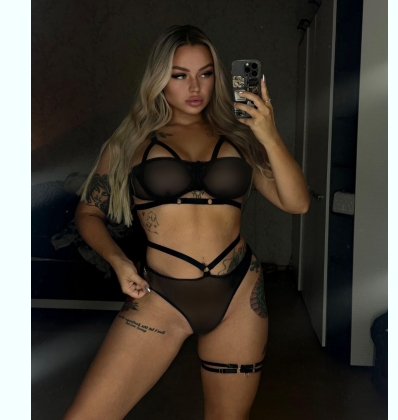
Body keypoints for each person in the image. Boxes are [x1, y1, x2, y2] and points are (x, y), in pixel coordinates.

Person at [63, 25, 309, 420]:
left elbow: (296, 203)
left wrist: (268, 133)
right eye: (179, 75)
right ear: (159, 79)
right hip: (160, 298)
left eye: (205, 73)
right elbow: (88, 213)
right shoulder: (130, 142)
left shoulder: (241, 138)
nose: (195, 87)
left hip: (238, 296)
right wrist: (119, 262)